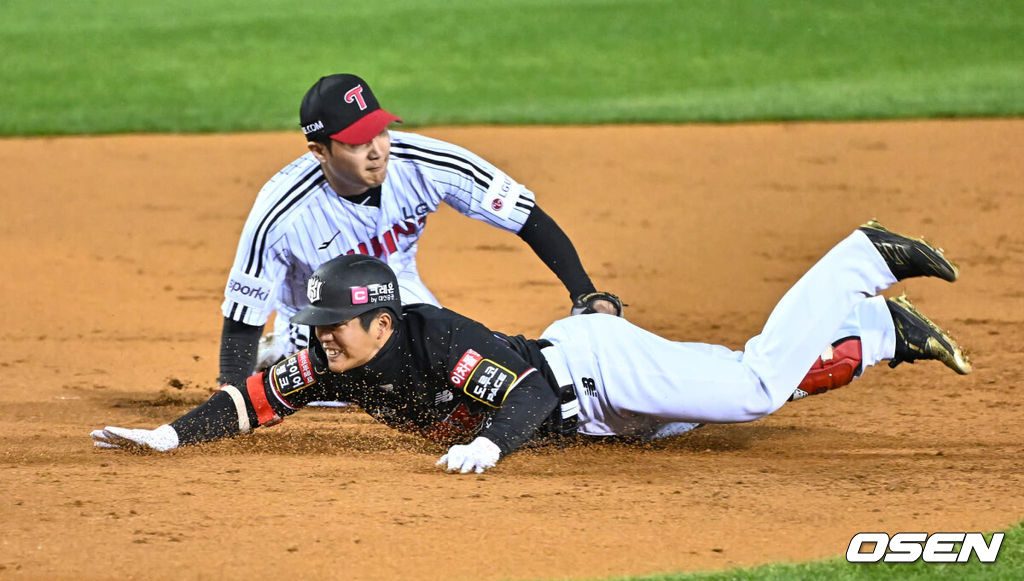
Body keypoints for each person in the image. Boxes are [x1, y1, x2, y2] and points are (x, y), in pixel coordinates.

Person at [93, 221, 972, 474]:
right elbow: (248, 400)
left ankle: (861, 257)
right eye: (317, 329)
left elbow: (537, 384)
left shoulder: (435, 339)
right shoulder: (327, 360)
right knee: (720, 403)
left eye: (334, 329)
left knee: (748, 385)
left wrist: (488, 442)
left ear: (382, 321)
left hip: (590, 369)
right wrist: (170, 436)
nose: (318, 344)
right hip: (599, 423)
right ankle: (882, 335)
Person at [218, 73, 621, 390]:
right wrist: (233, 386)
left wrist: (584, 292)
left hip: (401, 290)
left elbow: (526, 216)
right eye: (357, 142)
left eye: (379, 131)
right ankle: (287, 351)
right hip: (319, 320)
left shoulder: (424, 162)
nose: (377, 149)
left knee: (442, 360)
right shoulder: (281, 212)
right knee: (350, 382)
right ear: (320, 151)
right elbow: (244, 310)